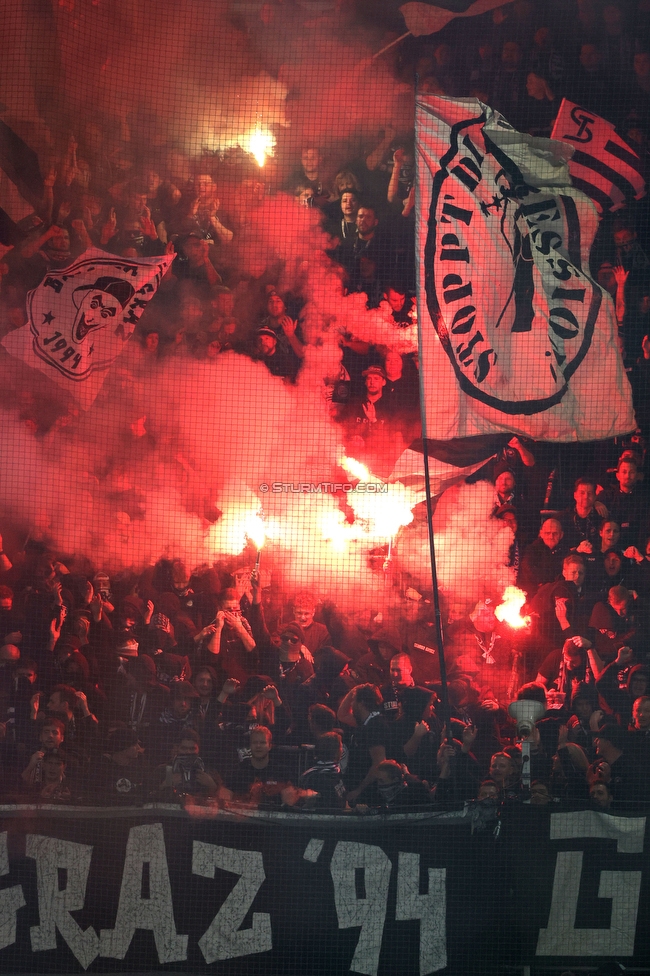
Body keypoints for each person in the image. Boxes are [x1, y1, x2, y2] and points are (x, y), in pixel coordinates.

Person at [337, 683, 389, 803]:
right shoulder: (365, 722)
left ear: (362, 703)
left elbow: (379, 763)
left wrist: (359, 790)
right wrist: (355, 689)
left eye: (353, 700)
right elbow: (342, 714)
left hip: (368, 794)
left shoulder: (375, 726)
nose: (351, 703)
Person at [518, 518, 567, 597]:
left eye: (555, 533)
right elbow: (528, 571)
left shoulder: (565, 551)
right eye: (548, 533)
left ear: (561, 535)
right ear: (541, 534)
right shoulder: (531, 550)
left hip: (558, 593)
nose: (551, 536)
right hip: (535, 595)